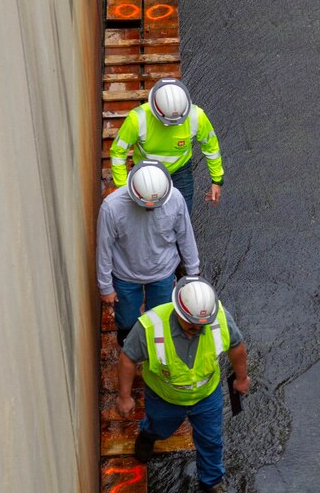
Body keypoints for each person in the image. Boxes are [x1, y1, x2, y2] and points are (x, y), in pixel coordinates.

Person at [116, 276, 250, 493]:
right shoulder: (150, 326)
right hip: (164, 398)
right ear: (178, 311)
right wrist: (124, 396)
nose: (197, 328)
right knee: (161, 428)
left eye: (201, 324)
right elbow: (128, 358)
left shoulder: (220, 318)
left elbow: (237, 346)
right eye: (192, 323)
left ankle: (211, 481)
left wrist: (241, 378)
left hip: (206, 395)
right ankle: (149, 434)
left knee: (211, 440)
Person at [97, 160, 200, 346]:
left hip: (163, 274)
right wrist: (106, 287)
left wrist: (193, 273)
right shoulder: (111, 208)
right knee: (128, 324)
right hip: (125, 276)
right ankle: (131, 353)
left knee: (160, 322)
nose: (151, 209)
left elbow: (186, 236)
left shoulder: (175, 199)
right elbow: (104, 248)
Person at [109, 77, 225, 214]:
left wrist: (217, 180)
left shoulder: (196, 117)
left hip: (180, 172)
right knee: (146, 221)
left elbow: (211, 147)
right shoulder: (137, 120)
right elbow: (118, 152)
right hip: (146, 176)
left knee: (182, 217)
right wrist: (124, 189)